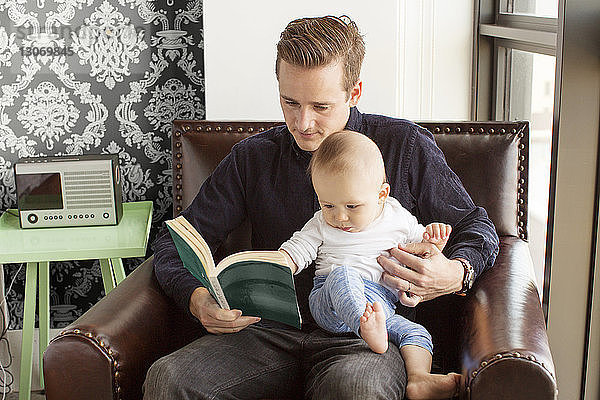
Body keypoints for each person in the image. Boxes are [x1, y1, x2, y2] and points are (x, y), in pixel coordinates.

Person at [145, 15, 499, 400]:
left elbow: (478, 229)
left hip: (365, 334)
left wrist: (455, 272)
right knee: (170, 379)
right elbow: (174, 243)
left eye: (321, 106)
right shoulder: (253, 158)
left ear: (355, 92)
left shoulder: (405, 146)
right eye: (290, 102)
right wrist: (198, 300)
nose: (303, 123)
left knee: (357, 391)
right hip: (264, 334)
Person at [279, 130, 460, 399]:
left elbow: (422, 248)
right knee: (343, 274)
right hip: (329, 301)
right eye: (328, 205)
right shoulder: (320, 223)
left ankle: (419, 378)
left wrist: (434, 242)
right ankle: (366, 330)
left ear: (381, 195)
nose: (339, 217)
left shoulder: (397, 217)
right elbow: (298, 249)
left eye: (352, 206)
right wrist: (280, 262)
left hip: (380, 304)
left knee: (415, 331)